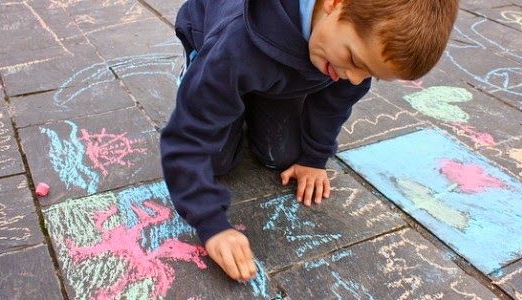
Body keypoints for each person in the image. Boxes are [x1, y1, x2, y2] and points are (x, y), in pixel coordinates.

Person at [160, 0, 458, 282]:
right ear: (334, 4)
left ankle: (254, 92)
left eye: (370, 74)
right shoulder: (235, 40)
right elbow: (189, 137)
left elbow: (334, 104)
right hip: (221, 46)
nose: (356, 78)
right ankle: (201, 77)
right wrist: (211, 225)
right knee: (216, 160)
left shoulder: (350, 51)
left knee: (282, 156)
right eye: (354, 60)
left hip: (280, 66)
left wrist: (314, 159)